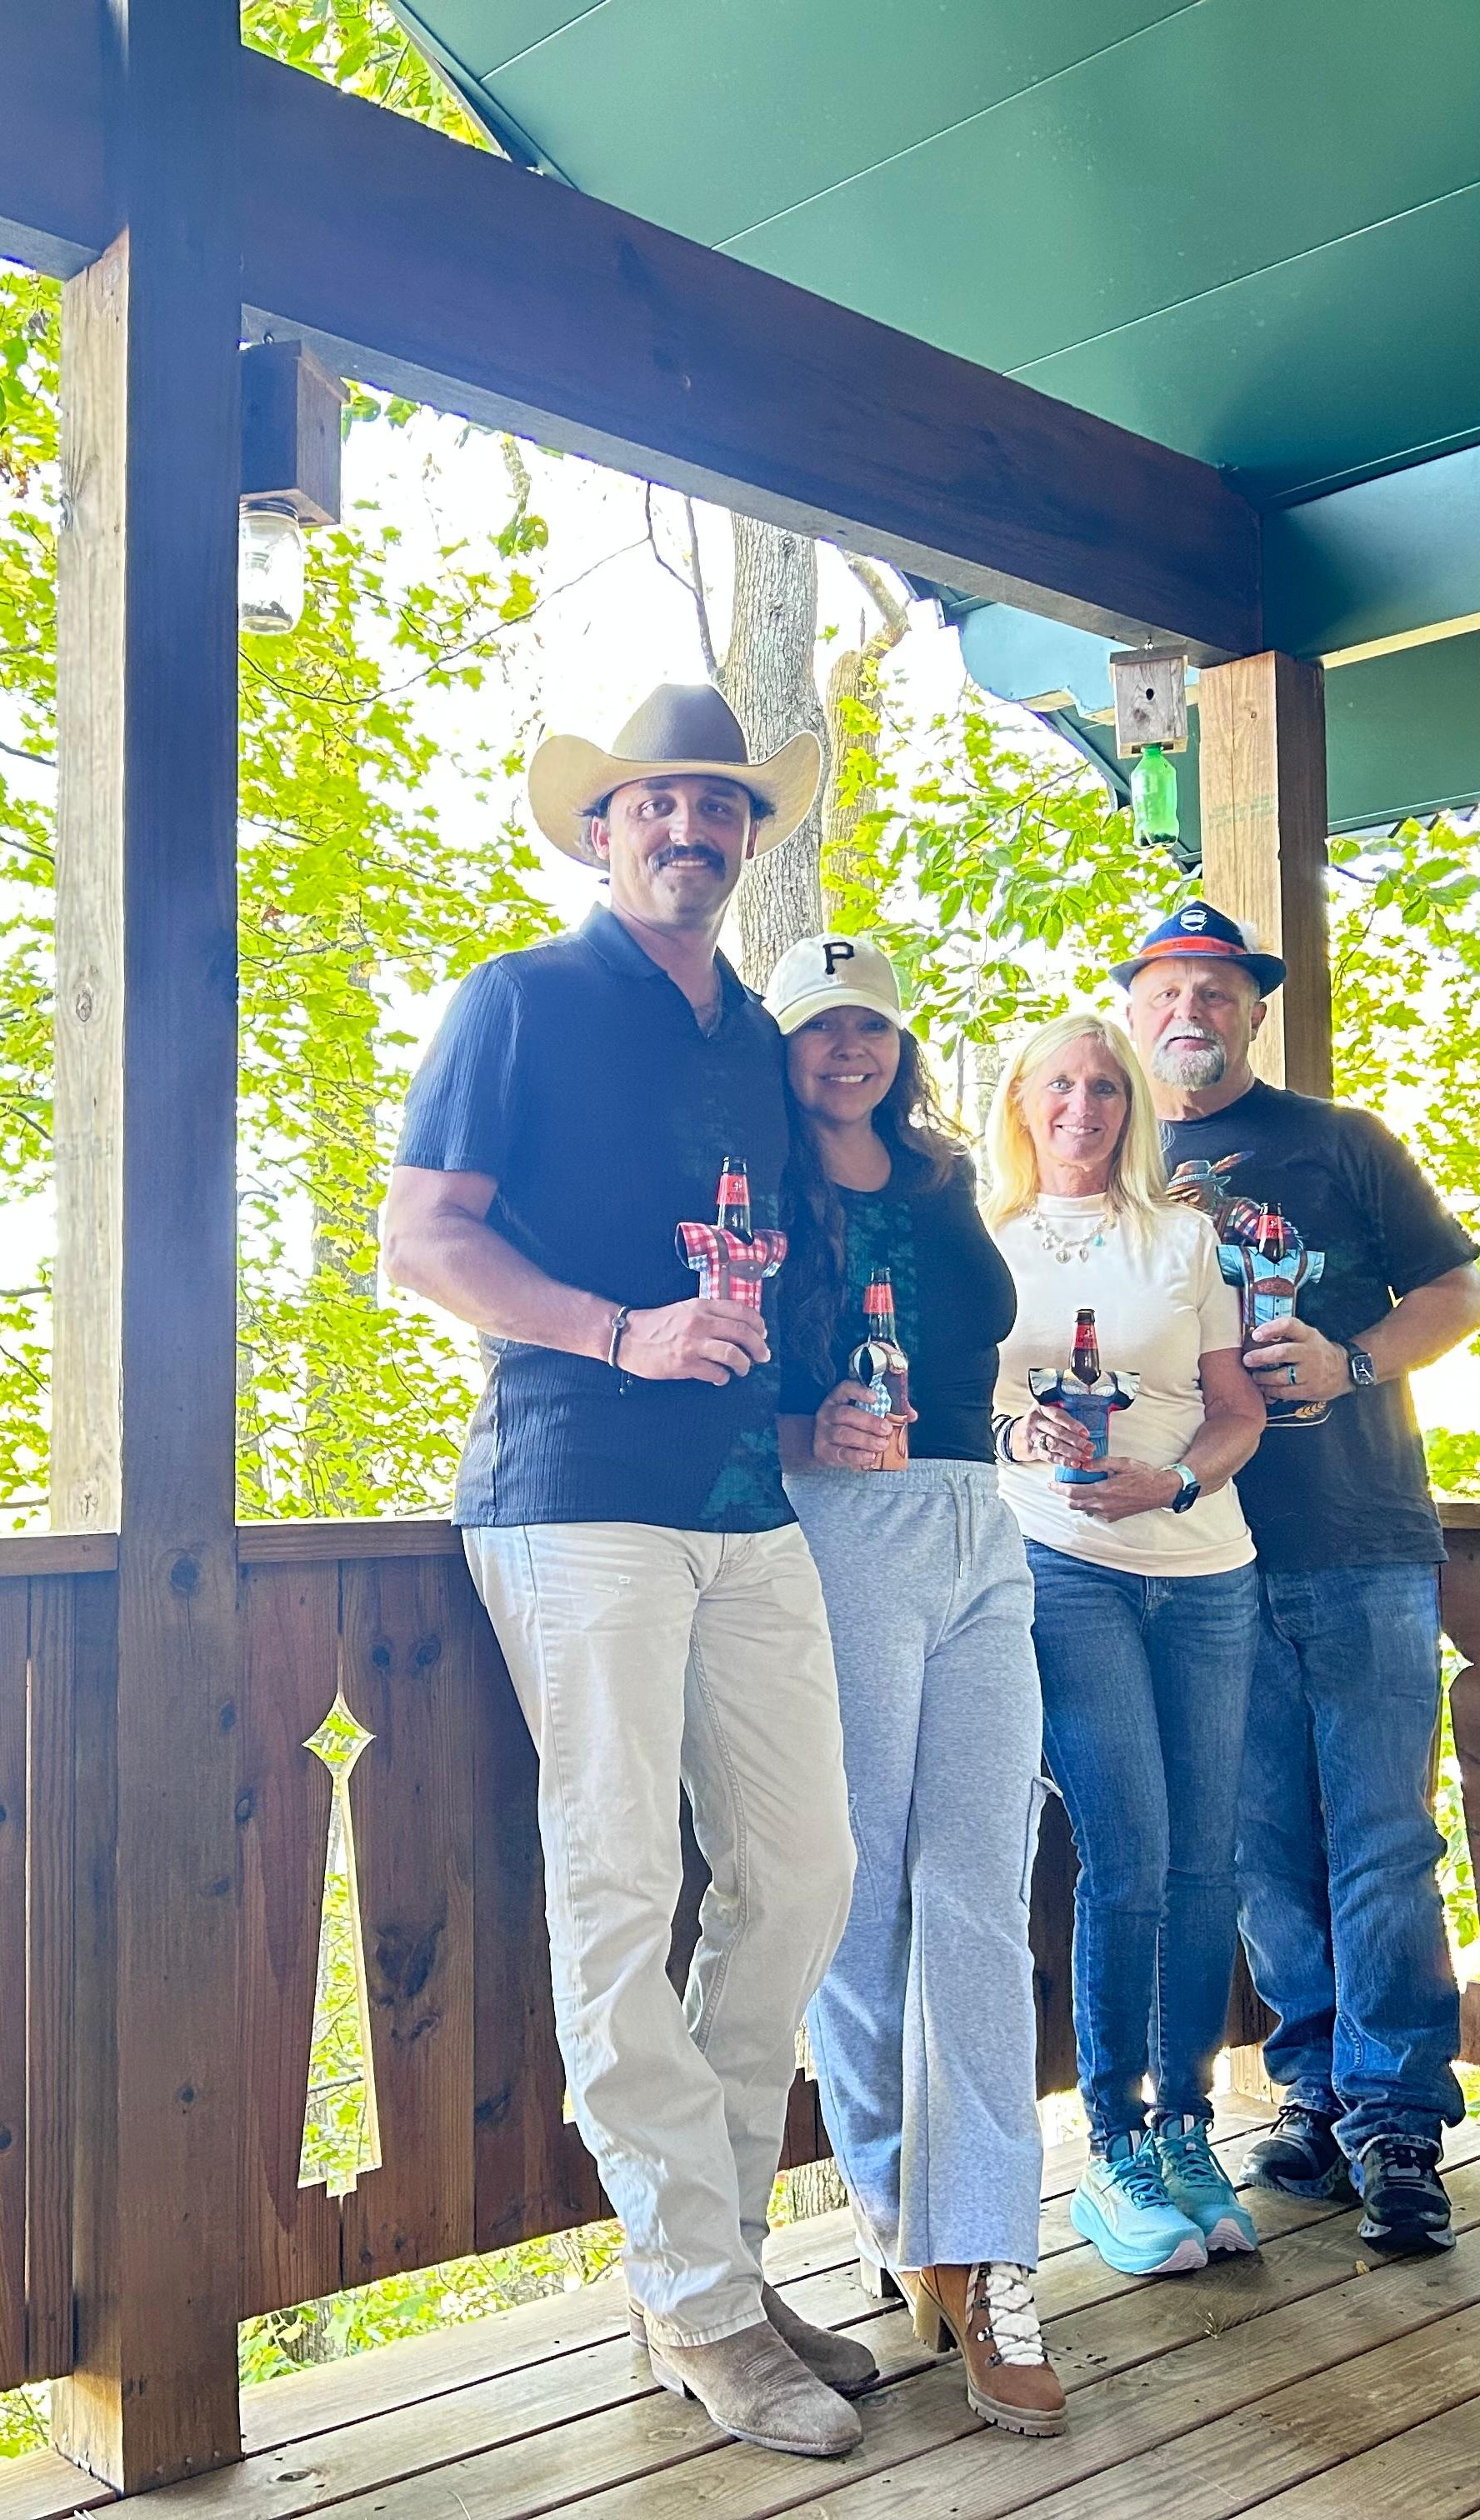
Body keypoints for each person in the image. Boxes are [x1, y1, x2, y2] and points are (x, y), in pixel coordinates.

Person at [380, 686, 867, 2460]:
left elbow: (781, 1257)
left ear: (750, 840)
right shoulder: (520, 999)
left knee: (802, 1866)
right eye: (657, 806)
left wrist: (823, 1414)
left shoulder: (755, 1035)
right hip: (572, 1494)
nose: (689, 833)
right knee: (615, 1881)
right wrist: (616, 1332)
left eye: (720, 811)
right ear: (603, 833)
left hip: (749, 1504)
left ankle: (711, 2261)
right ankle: (702, 2299)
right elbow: (421, 1235)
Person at [1118, 901, 1480, 2257]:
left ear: (1253, 1011)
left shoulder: (1342, 1142)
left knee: (1384, 1835)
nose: (1191, 1014)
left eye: (1218, 991)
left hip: (1362, 1540)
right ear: (1135, 1009)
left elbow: (1456, 1292)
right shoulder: (1114, 1161)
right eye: (1167, 991)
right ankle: (1316, 2096)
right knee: (1260, 1839)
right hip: (1201, 1558)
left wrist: (1358, 1360)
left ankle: (1400, 2121)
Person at [768, 932, 1062, 2438]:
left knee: (981, 1892)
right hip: (840, 1533)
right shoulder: (755, 1185)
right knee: (863, 1890)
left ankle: (996, 2248)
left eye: (870, 1025)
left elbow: (979, 1357)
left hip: (975, 1522)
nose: (851, 1051)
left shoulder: (944, 1184)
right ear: (786, 1042)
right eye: (823, 1027)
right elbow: (712, 1372)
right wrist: (800, 1432)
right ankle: (911, 2227)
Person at [982, 1011, 1267, 2278]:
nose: (1084, 1107)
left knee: (1207, 1863)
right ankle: (1114, 2150)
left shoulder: (1186, 1237)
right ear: (1024, 1104)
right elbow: (966, 1414)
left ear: (1128, 1105)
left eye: (1104, 1086)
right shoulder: (983, 1243)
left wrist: (1180, 1489)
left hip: (1209, 1575)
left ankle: (1189, 2130)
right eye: (1060, 1086)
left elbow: (1237, 1407)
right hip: (1064, 1573)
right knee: (1132, 1855)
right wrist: (1032, 1443)